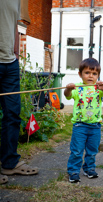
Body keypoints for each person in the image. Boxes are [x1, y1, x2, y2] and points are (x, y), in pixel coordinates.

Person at [0, 0, 38, 185]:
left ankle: (9, 162)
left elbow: (14, 24)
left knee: (13, 114)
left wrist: (16, 54)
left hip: (10, 63)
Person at [64, 58, 103, 183]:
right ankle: (73, 171)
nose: (91, 76)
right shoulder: (77, 88)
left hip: (95, 126)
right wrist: (68, 88)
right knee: (77, 150)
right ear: (80, 74)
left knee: (92, 150)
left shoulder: (98, 89)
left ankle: (89, 168)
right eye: (87, 73)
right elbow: (67, 95)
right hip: (80, 126)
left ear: (98, 75)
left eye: (94, 73)